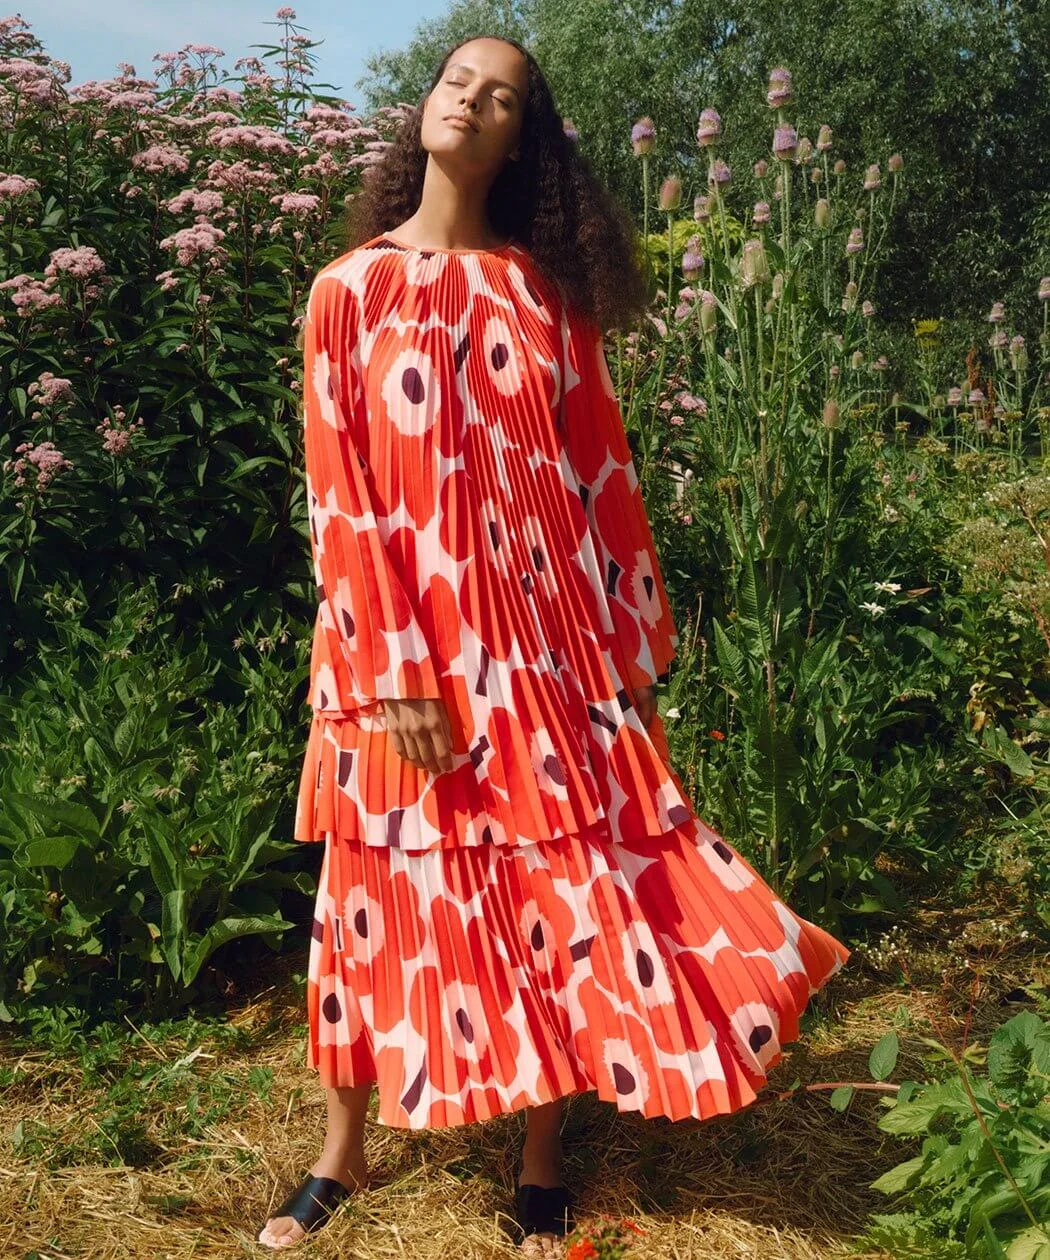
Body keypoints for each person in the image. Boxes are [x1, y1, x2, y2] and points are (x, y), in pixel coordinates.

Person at [257, 32, 851, 1255]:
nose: (472, 103)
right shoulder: (345, 290)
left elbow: (602, 474)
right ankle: (339, 1152)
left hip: (544, 646)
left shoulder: (544, 298)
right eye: (457, 82)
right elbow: (341, 497)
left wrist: (630, 648)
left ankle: (541, 1158)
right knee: (368, 883)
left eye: (503, 98)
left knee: (556, 892)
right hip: (397, 644)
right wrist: (394, 670)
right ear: (427, 104)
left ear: (522, 137)